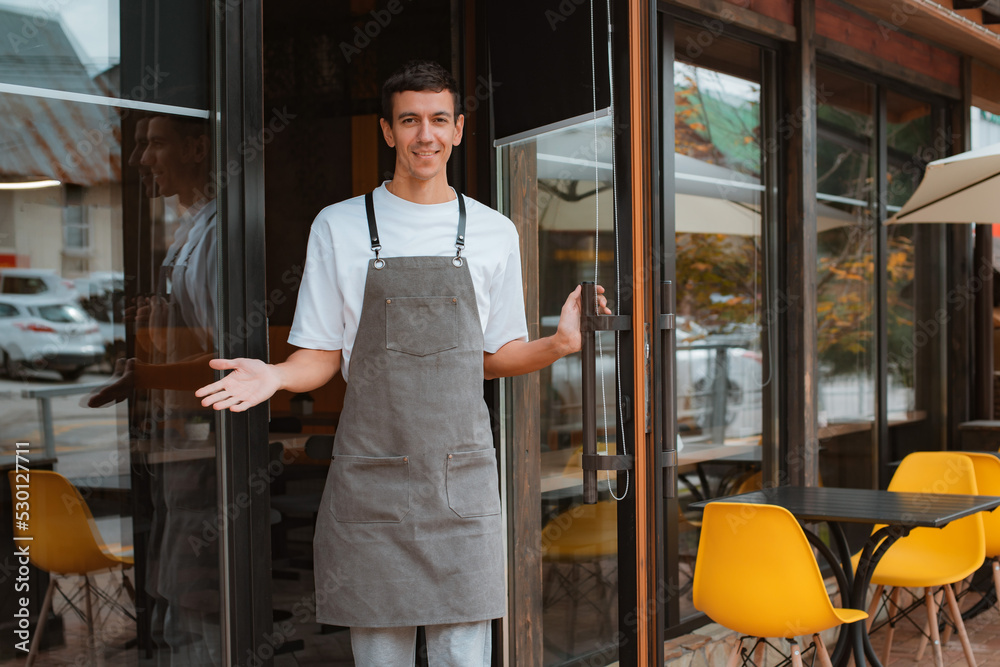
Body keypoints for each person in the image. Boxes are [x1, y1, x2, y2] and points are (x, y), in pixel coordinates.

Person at [195, 60, 607, 667]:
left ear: (460, 129)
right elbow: (321, 356)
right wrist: (279, 375)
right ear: (388, 131)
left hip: (459, 483)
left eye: (439, 120)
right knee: (379, 657)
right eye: (409, 120)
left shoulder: (494, 233)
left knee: (463, 657)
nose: (426, 135)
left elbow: (488, 360)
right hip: (373, 479)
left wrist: (559, 345)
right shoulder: (338, 225)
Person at [91, 112, 221, 666]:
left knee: (195, 607)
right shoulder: (190, 228)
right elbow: (186, 338)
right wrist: (156, 332)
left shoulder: (220, 233)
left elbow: (226, 360)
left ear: (196, 149)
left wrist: (148, 373)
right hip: (177, 444)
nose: (142, 159)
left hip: (209, 448)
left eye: (155, 144)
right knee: (174, 607)